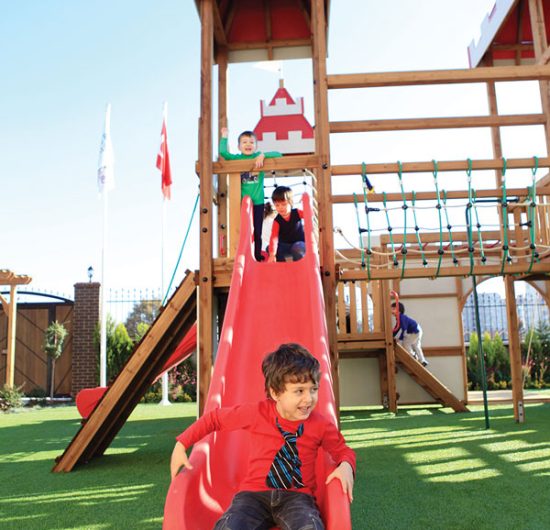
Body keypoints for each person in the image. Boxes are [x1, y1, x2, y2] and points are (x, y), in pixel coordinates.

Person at [170, 343, 355, 530]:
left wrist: (346, 465)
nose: (309, 398)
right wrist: (182, 444)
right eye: (299, 391)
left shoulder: (320, 424)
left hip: (297, 498)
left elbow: (343, 450)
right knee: (230, 526)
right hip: (253, 496)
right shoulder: (257, 413)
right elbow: (214, 419)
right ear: (275, 393)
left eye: (313, 389)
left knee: (310, 527)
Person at [219, 128, 282, 262]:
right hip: (242, 203)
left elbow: (279, 155)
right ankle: (244, 253)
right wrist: (224, 137)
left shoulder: (258, 157)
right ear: (239, 146)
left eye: (251, 142)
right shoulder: (237, 159)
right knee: (244, 230)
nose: (248, 144)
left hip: (258, 202)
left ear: (256, 146)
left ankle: (257, 255)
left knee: (257, 230)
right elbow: (223, 153)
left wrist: (263, 155)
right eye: (244, 142)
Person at [268, 186, 306, 262]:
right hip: (285, 246)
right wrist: (272, 254)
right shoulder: (277, 221)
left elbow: (309, 214)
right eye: (277, 205)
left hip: (298, 244)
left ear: (290, 203)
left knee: (299, 248)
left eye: (283, 204)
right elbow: (274, 237)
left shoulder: (297, 213)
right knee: (270, 249)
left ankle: (297, 263)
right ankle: (284, 263)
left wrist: (305, 203)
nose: (280, 207)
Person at [391, 302, 429, 366]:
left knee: (406, 343)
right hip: (417, 329)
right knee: (416, 345)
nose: (391, 310)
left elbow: (404, 329)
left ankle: (413, 355)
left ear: (399, 310)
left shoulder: (401, 318)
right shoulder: (399, 318)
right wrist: (392, 335)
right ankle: (423, 360)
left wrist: (400, 338)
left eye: (393, 309)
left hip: (414, 331)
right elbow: (397, 328)